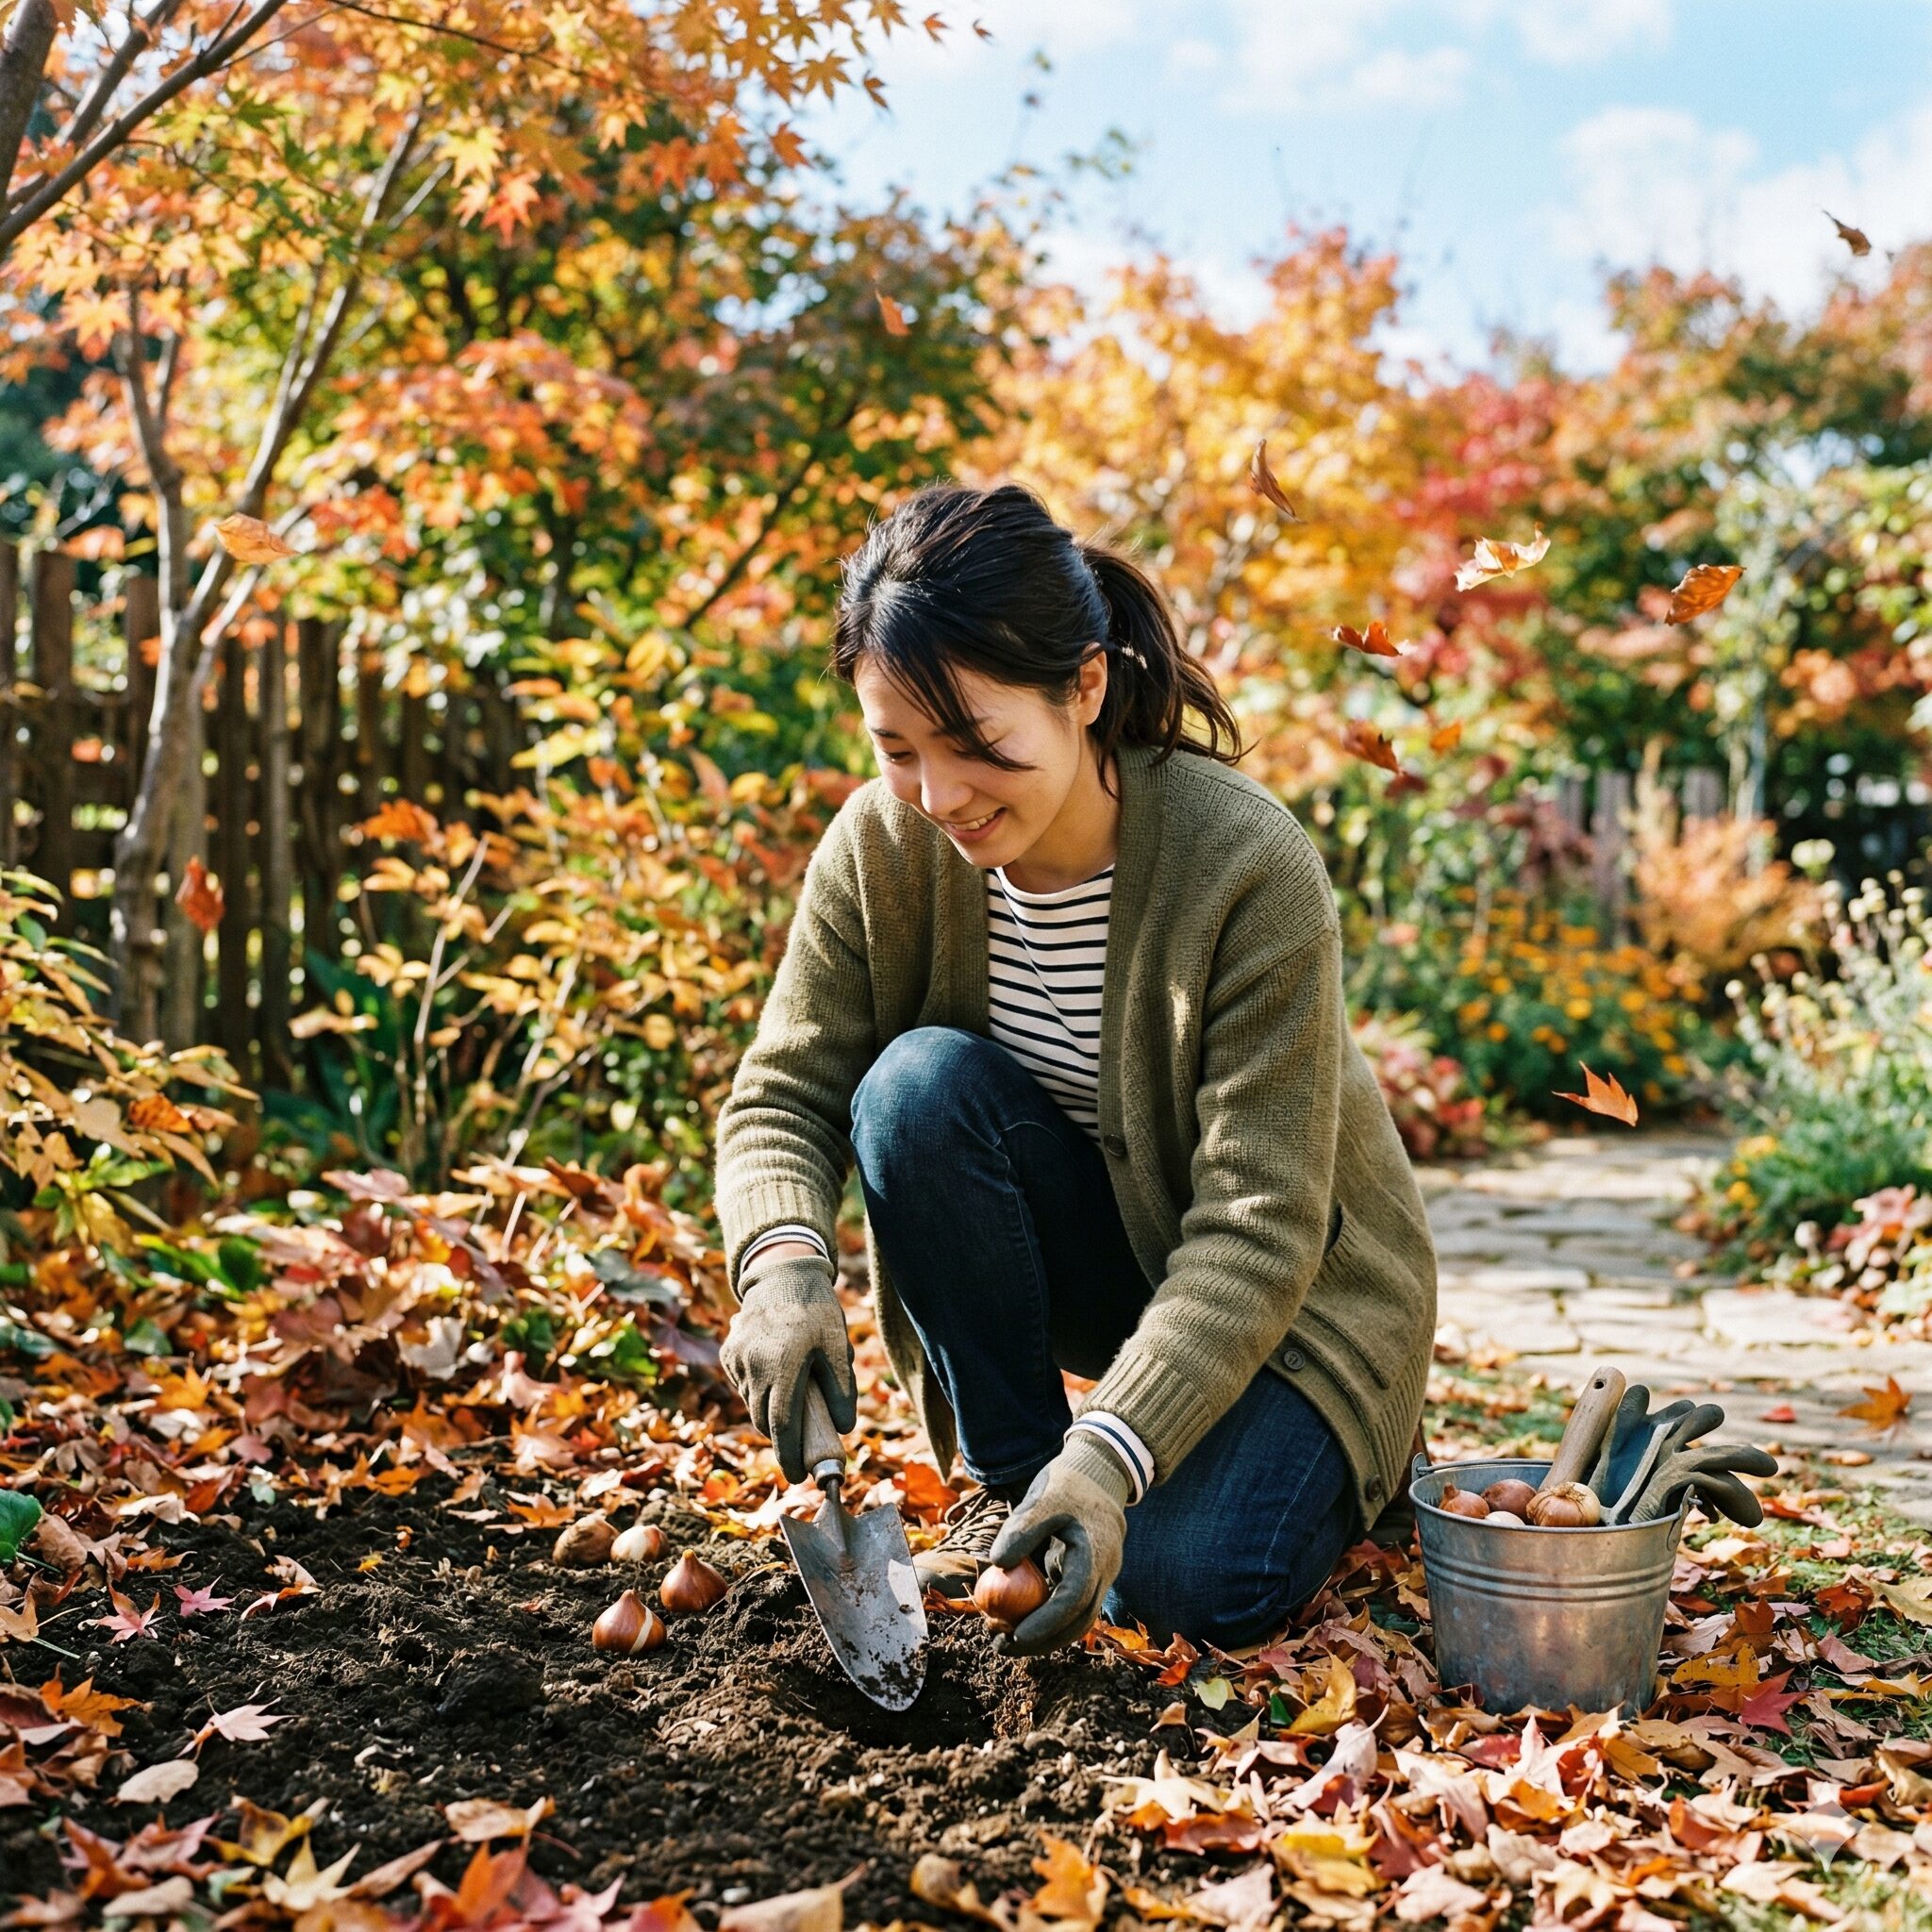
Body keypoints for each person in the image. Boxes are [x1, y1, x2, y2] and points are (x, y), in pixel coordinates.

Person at [715, 480, 1438, 1657]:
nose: (939, 796)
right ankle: (1015, 1482)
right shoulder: (882, 846)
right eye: (897, 749)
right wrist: (784, 1265)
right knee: (910, 1086)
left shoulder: (1245, 866)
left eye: (977, 745)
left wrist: (1108, 1454)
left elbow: (1259, 1229)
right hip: (1127, 1263)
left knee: (1181, 1587)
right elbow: (783, 1091)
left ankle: (1325, 1452)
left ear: (1084, 688)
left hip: (1304, 1298)